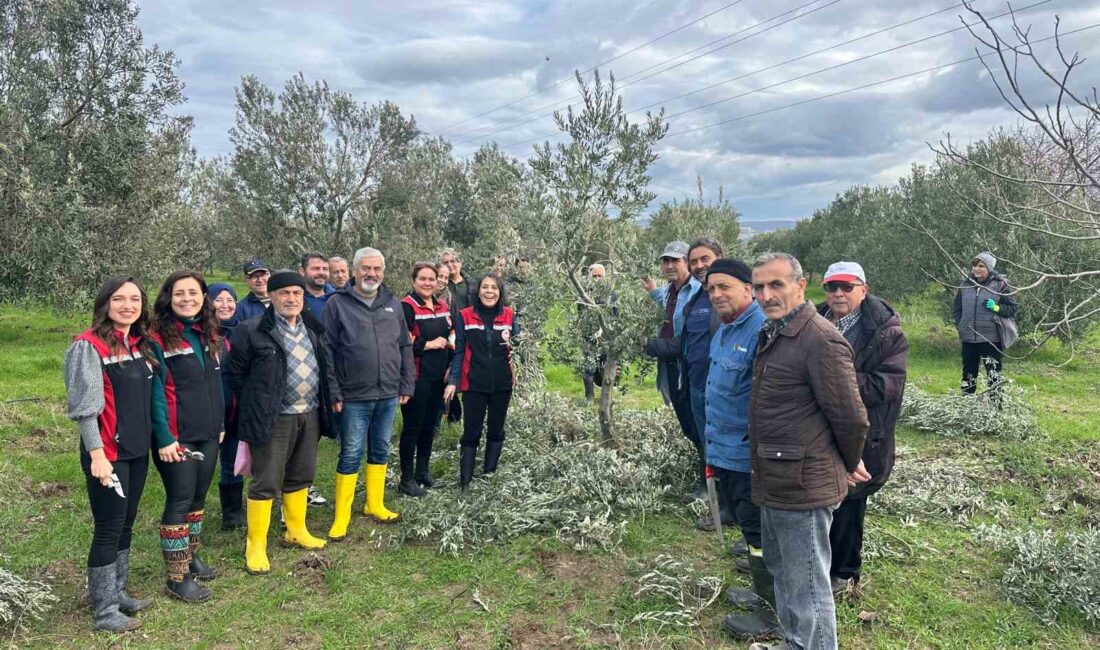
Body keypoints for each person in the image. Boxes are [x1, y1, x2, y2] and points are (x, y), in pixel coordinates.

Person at [745, 252, 869, 650]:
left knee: (809, 588)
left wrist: (848, 463)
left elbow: (851, 418)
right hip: (777, 479)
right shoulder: (775, 332)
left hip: (803, 487)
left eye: (776, 284)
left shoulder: (820, 340)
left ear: (801, 286)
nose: (766, 294)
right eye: (759, 286)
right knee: (784, 573)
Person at [224, 271, 340, 574]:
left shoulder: (313, 327)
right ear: (271, 297)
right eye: (284, 293)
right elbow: (234, 375)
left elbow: (325, 367)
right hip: (273, 418)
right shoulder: (251, 330)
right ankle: (256, 544)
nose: (291, 299)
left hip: (310, 412)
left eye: (296, 294)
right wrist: (259, 401)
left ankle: (296, 529)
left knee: (301, 474)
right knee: (266, 480)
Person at [65, 276, 159, 632]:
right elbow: (85, 409)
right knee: (108, 527)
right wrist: (97, 455)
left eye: (134, 299)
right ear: (105, 304)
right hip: (107, 452)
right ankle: (103, 610)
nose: (128, 306)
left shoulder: (136, 344)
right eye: (119, 299)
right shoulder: (88, 347)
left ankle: (118, 593)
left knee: (126, 523)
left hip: (136, 449)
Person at [817, 262, 908, 596]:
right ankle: (819, 564)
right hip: (819, 428)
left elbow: (888, 385)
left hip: (864, 432)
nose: (838, 293)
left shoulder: (887, 332)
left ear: (863, 289)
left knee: (850, 502)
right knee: (822, 498)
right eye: (831, 287)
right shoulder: (816, 319)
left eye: (847, 286)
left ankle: (843, 573)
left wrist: (832, 381)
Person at [696, 260, 775, 639]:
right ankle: (763, 595)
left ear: (748, 288)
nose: (716, 295)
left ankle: (773, 614)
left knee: (760, 533)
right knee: (750, 529)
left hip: (748, 456)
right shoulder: (725, 330)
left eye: (724, 287)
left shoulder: (763, 330)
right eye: (711, 290)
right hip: (724, 449)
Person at [323, 247, 415, 538]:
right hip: (353, 395)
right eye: (366, 268)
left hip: (388, 392)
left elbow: (404, 345)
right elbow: (327, 351)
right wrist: (334, 392)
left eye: (376, 269)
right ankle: (342, 515)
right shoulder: (337, 304)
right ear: (354, 271)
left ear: (383, 273)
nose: (371, 274)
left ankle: (375, 504)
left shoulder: (393, 304)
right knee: (350, 453)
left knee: (380, 449)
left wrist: (406, 382)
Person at [148, 271, 225, 603]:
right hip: (177, 438)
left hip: (208, 432)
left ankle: (191, 557)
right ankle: (177, 578)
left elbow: (213, 384)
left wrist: (219, 423)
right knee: (179, 502)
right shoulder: (157, 339)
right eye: (179, 293)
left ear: (203, 297)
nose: (186, 299)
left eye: (193, 293)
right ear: (168, 297)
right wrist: (164, 437)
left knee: (197, 501)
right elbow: (154, 394)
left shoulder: (206, 333)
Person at [444, 274, 519, 490]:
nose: (489, 291)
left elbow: (518, 347)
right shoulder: (465, 316)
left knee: (496, 430)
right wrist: (453, 381)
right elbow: (459, 352)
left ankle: (489, 476)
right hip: (474, 383)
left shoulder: (509, 315)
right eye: (485, 287)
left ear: (500, 292)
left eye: (494, 288)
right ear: (477, 291)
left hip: (502, 384)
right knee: (471, 431)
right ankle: (465, 482)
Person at [642, 241, 703, 498]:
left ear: (686, 263)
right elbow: (669, 311)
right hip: (672, 370)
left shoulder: (698, 292)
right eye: (665, 261)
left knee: (699, 426)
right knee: (688, 426)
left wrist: (647, 345)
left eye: (674, 261)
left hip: (690, 369)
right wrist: (654, 292)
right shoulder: (670, 291)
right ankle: (707, 480)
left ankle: (711, 486)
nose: (668, 265)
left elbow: (686, 340)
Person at [680, 238, 727, 531]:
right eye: (694, 261)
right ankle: (720, 503)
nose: (699, 266)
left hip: (724, 389)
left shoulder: (731, 295)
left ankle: (730, 506)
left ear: (719, 258)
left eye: (704, 259)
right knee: (707, 445)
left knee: (728, 447)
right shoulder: (698, 297)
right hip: (698, 385)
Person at [398, 262, 454, 496]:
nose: (428, 283)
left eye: (432, 279)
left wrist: (452, 355)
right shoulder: (406, 306)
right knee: (413, 427)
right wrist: (427, 344)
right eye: (423, 279)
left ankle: (423, 472)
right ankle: (407, 479)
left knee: (430, 426)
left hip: (439, 376)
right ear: (414, 281)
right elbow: (401, 340)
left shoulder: (442, 305)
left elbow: (452, 332)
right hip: (417, 377)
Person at [952, 251, 1018, 395]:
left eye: (981, 266)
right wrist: (960, 325)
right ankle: (966, 405)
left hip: (991, 339)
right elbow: (957, 309)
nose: (976, 268)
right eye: (974, 265)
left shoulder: (1000, 285)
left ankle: (995, 408)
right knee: (968, 374)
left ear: (989, 268)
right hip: (968, 338)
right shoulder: (965, 285)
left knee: (993, 374)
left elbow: (1013, 308)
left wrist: (996, 308)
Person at [208, 283, 245, 530]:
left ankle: (232, 514)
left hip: (237, 411)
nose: (225, 305)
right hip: (210, 413)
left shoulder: (242, 333)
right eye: (218, 300)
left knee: (233, 462)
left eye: (229, 300)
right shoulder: (203, 336)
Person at [440, 248, 468, 424]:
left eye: (454, 261)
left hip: (468, 335)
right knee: (446, 375)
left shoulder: (471, 285)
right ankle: (450, 417)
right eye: (446, 262)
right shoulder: (441, 285)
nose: (451, 265)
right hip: (447, 337)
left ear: (460, 263)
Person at [300, 252, 334, 316]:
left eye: (325, 269)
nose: (321, 273)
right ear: (302, 271)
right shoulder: (295, 300)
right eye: (316, 268)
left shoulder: (337, 298)